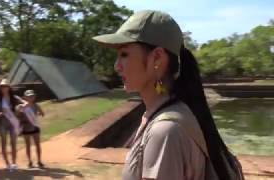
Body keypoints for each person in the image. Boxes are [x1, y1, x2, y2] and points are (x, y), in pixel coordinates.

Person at [93, 10, 244, 180]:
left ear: (157, 58)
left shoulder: (165, 132)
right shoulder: (165, 114)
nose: (117, 66)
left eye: (124, 54)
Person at [0, 79, 21, 171]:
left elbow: (24, 104)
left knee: (13, 143)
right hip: (2, 123)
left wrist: (20, 108)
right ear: (0, 88)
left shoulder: (14, 98)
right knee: (4, 143)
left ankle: (14, 163)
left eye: (5, 86)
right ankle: (7, 164)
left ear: (9, 87)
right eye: (2, 86)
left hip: (13, 123)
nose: (4, 88)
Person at [16, 90, 44, 169]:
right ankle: (30, 161)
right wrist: (22, 109)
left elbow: (42, 113)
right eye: (29, 96)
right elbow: (17, 115)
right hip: (26, 127)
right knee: (27, 145)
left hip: (35, 127)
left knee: (37, 144)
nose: (31, 98)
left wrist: (38, 114)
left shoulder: (36, 105)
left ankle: (39, 161)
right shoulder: (21, 106)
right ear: (25, 97)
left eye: (32, 96)